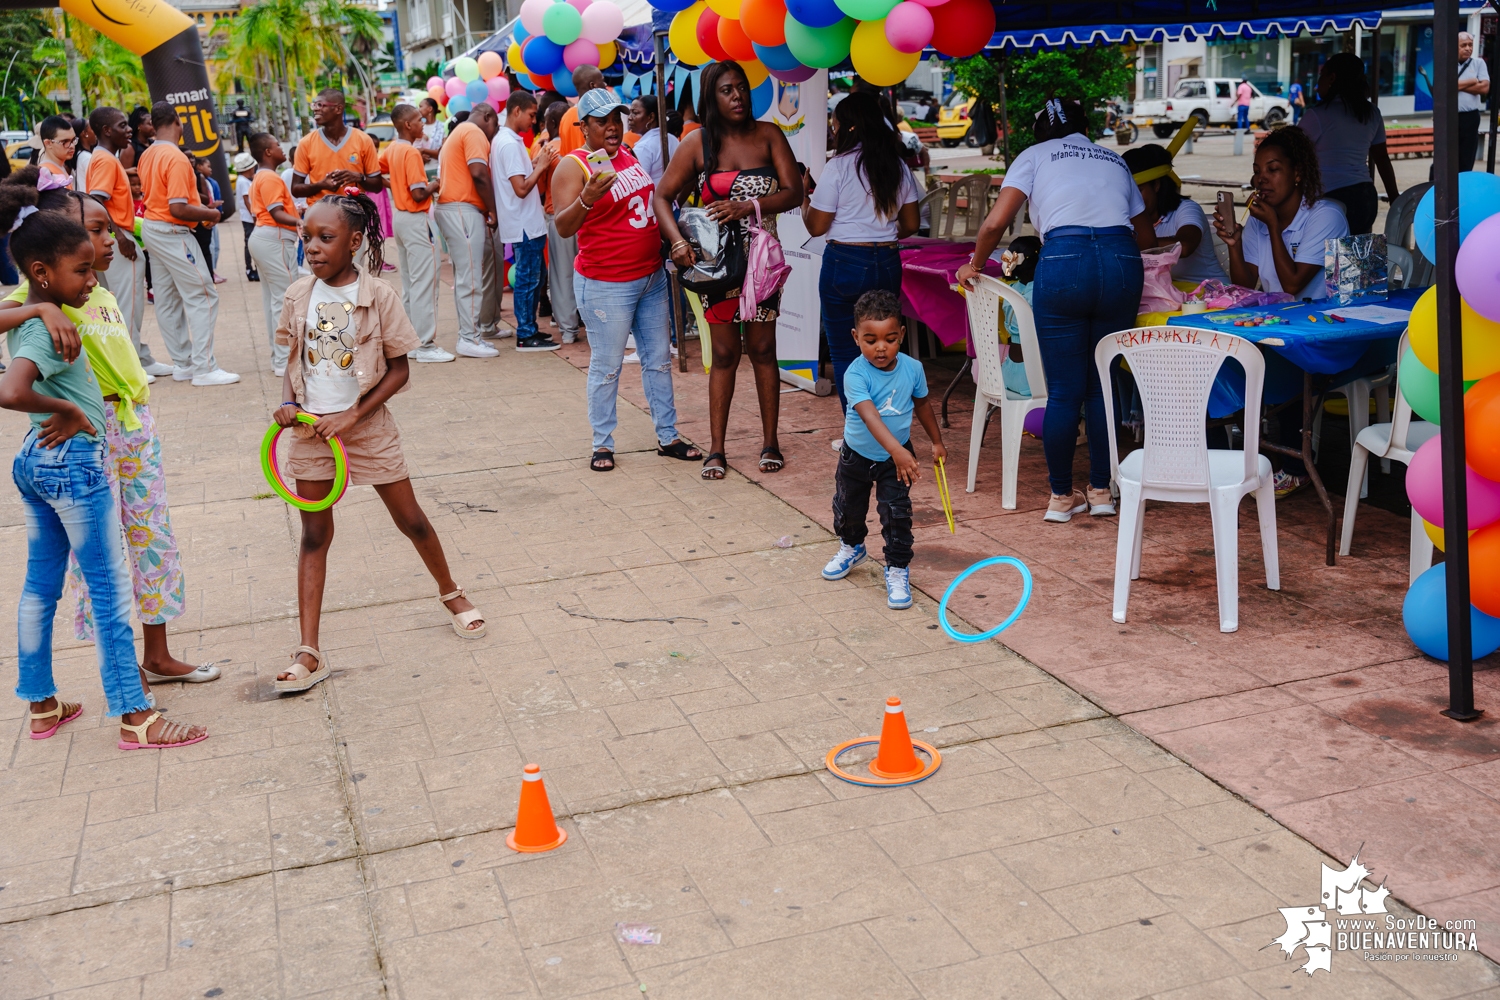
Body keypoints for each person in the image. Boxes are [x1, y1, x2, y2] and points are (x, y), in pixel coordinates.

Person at [0, 208, 207, 749]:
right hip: (73, 462)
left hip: (37, 463)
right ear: (42, 272)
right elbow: (11, 391)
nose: (93, 280)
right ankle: (136, 717)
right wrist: (66, 411)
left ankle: (42, 705)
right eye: (82, 270)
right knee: (110, 589)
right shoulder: (49, 325)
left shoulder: (41, 313)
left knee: (39, 589)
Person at [271, 194, 485, 691]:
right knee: (314, 535)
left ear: (354, 242)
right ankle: (309, 651)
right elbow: (292, 360)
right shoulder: (298, 295)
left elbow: (400, 368)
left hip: (366, 429)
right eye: (307, 238)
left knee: (411, 520)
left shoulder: (379, 296)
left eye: (326, 238)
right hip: (309, 433)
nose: (313, 248)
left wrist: (352, 416)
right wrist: (287, 406)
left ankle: (451, 592)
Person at [957, 98, 1154, 524]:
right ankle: (1102, 492)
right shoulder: (1114, 160)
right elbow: (1147, 233)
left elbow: (994, 224)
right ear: (1085, 126)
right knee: (1102, 386)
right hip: (1122, 261)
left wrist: (973, 265)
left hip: (1064, 260)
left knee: (1064, 391)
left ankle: (1062, 497)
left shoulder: (1034, 155)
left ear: (1041, 131)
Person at [654, 60, 803, 481]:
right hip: (716, 267)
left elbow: (795, 192)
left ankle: (770, 441)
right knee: (723, 353)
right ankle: (716, 449)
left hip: (762, 266)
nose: (737, 96)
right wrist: (678, 242)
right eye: (726, 90)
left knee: (762, 350)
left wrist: (748, 206)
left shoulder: (768, 134)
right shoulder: (698, 143)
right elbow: (662, 197)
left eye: (741, 88)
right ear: (711, 98)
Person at [552, 87, 701, 473]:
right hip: (606, 284)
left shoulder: (628, 155)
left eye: (616, 119)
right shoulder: (574, 165)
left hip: (649, 277)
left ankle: (667, 437)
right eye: (602, 121)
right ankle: (602, 443)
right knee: (608, 365)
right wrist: (585, 198)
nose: (613, 127)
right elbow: (563, 227)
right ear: (583, 126)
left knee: (658, 361)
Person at [1214, 125, 1349, 496]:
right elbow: (1246, 285)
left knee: (1281, 358)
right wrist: (1235, 244)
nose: (1263, 179)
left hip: (1326, 328)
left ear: (1298, 172)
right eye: (1258, 170)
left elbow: (1292, 284)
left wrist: (1273, 227)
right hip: (1282, 324)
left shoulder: (1325, 215)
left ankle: (1296, 465)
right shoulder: (1262, 219)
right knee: (1221, 353)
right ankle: (1226, 455)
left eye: (1273, 169)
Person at [819, 290, 945, 611]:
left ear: (901, 334)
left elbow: (923, 404)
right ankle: (852, 547)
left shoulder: (913, 369)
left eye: (889, 339)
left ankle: (898, 567)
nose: (880, 348)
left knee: (897, 514)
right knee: (848, 510)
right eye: (870, 339)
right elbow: (870, 416)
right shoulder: (855, 374)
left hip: (896, 460)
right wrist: (898, 450)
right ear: (855, 337)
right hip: (856, 456)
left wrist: (936, 441)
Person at [803, 91, 920, 422]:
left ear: (849, 128)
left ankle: (856, 432)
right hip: (887, 262)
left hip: (845, 263)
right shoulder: (897, 165)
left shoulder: (838, 167)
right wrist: (878, 233)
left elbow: (817, 225)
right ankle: (890, 422)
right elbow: (910, 223)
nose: (833, 130)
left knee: (845, 352)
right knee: (884, 349)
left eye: (835, 124)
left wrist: (803, 199)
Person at [137, 102, 237, 386]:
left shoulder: (148, 154)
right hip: (172, 231)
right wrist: (210, 213)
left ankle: (183, 363)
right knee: (203, 295)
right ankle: (204, 368)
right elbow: (179, 207)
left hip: (154, 229)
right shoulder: (177, 157)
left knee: (167, 299)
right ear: (177, 122)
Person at [86, 108, 168, 376]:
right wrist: (119, 236)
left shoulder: (105, 158)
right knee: (128, 307)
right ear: (107, 130)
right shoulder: (106, 160)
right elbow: (96, 200)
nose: (129, 129)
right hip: (118, 239)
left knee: (120, 305)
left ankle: (141, 358)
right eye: (123, 125)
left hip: (110, 238)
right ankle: (130, 366)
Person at [1300, 52, 1398, 237]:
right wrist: (1394, 197)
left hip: (1330, 199)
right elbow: (1382, 158)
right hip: (1365, 198)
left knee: (1325, 262)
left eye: (1321, 75)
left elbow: (1292, 155)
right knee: (1359, 261)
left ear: (1332, 78)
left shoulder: (1317, 115)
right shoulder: (1371, 112)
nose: (1317, 82)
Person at [491, 91, 560, 352]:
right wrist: (541, 166)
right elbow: (520, 188)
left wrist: (535, 163)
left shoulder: (509, 140)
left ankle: (529, 328)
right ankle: (526, 333)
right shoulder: (508, 143)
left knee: (533, 276)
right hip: (523, 222)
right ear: (516, 111)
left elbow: (517, 176)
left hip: (524, 221)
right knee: (529, 279)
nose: (534, 121)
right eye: (531, 115)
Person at [434, 101, 503, 357]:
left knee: (467, 276)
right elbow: (479, 173)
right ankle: (469, 339)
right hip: (461, 209)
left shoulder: (458, 132)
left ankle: (470, 335)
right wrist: (492, 210)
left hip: (454, 208)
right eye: (494, 125)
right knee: (471, 277)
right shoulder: (473, 132)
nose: (493, 133)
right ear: (487, 116)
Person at [381, 104, 449, 363]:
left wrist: (395, 186)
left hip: (401, 218)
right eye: (419, 120)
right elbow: (418, 193)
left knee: (411, 283)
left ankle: (410, 342)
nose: (423, 124)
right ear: (407, 125)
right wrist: (435, 184)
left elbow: (378, 173)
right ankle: (426, 345)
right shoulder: (410, 152)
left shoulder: (393, 148)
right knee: (425, 282)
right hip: (414, 217)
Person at [1122, 144, 1228, 284]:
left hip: (1213, 295)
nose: (1131, 200)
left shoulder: (1187, 209)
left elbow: (1185, 246)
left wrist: (1126, 244)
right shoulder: (1126, 219)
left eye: (1138, 192)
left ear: (1156, 185)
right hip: (1169, 298)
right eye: (1127, 194)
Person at [246, 133, 300, 377]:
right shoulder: (269, 177)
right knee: (286, 299)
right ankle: (282, 361)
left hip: (266, 237)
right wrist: (302, 221)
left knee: (274, 301)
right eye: (278, 144)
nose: (282, 148)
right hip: (275, 238)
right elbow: (277, 213)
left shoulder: (263, 176)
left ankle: (278, 359)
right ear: (268, 152)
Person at [291, 89, 383, 207]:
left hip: (354, 214)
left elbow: (377, 186)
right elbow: (295, 189)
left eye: (320, 105)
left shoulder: (363, 140)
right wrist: (321, 185)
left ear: (338, 109)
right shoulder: (306, 143)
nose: (315, 109)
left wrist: (359, 178)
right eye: (314, 105)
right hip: (320, 215)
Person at [537, 101, 581, 344]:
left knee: (562, 274)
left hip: (558, 216)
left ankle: (568, 329)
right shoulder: (582, 148)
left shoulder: (546, 150)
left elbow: (540, 188)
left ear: (553, 123)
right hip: (585, 215)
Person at [556, 66, 610, 158]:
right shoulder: (597, 115)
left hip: (572, 170)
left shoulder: (566, 117)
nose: (605, 85)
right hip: (597, 171)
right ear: (593, 86)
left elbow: (563, 157)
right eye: (602, 80)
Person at [628, 96, 679, 185]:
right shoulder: (673, 139)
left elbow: (637, 185)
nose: (629, 118)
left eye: (635, 113)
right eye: (630, 113)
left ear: (651, 117)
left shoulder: (644, 147)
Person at [1459, 32, 1492, 171]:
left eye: (1470, 45)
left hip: (1471, 117)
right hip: (1451, 117)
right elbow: (1443, 86)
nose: (1468, 48)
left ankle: (1464, 188)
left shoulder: (1478, 63)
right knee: (1450, 156)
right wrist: (1472, 81)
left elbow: (1484, 88)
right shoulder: (1446, 63)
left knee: (1467, 158)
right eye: (1463, 45)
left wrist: (1457, 85)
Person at [192, 156, 225, 283]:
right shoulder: (197, 177)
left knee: (215, 247)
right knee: (208, 248)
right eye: (208, 166)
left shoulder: (209, 181)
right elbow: (204, 199)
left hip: (209, 217)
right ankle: (208, 274)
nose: (210, 169)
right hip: (203, 218)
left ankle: (212, 271)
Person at [233, 151, 259, 280]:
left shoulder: (245, 180)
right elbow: (246, 200)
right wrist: (254, 216)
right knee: (250, 243)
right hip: (249, 218)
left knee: (252, 242)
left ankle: (255, 268)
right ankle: (250, 269)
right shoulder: (243, 181)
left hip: (250, 217)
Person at [37, 115, 76, 188]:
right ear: (48, 143)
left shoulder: (58, 167)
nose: (72, 146)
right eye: (65, 142)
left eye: (73, 140)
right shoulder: (47, 176)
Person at [417, 97, 445, 161]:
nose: (418, 109)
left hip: (438, 168)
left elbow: (444, 152)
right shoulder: (418, 127)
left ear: (430, 109)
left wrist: (423, 151)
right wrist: (420, 156)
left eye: (421, 106)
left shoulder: (442, 127)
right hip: (421, 169)